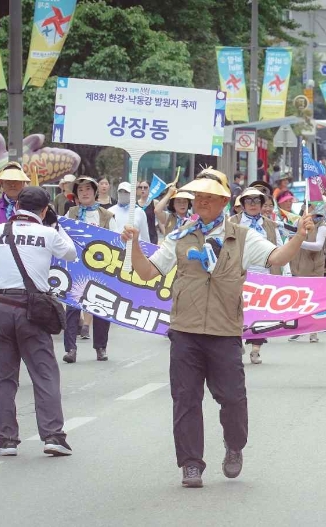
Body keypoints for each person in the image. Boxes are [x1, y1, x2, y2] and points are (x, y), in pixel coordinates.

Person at [122, 177, 314, 488]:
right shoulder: (179, 236)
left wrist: (299, 238)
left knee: (233, 398)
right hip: (185, 329)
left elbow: (276, 257)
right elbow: (146, 272)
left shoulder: (242, 237)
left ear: (225, 203)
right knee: (185, 398)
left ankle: (234, 445)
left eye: (209, 198)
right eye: (197, 196)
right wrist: (132, 245)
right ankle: (190, 464)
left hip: (225, 331)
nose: (201, 202)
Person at [0, 185, 77, 457]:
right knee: (44, 372)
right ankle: (53, 436)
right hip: (31, 308)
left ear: (16, 207)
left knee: (3, 378)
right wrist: (55, 225)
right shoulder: (49, 233)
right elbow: (71, 253)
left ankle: (6, 440)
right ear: (45, 210)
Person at [63, 176, 117, 363]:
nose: (84, 193)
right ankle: (70, 348)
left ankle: (101, 347)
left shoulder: (107, 215)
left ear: (95, 192)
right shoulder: (71, 213)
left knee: (101, 308)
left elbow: (116, 241)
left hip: (100, 269)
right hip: (76, 267)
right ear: (76, 195)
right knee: (72, 308)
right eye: (80, 190)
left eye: (88, 189)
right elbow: (62, 238)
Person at [230, 187, 286, 363]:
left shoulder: (270, 225)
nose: (253, 204)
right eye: (249, 201)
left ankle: (256, 349)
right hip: (240, 273)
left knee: (260, 314)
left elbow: (279, 248)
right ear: (243, 204)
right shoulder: (232, 222)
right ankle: (237, 341)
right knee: (238, 310)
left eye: (256, 201)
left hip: (264, 274)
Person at [288, 200, 326, 343]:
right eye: (306, 205)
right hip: (298, 264)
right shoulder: (299, 221)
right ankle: (299, 328)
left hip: (313, 267)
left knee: (313, 300)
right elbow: (290, 235)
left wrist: (299, 242)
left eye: (309, 205)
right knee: (299, 299)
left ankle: (314, 331)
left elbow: (318, 246)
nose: (306, 208)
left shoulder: (322, 224)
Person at [136, 180, 159, 244]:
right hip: (138, 237)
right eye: (141, 187)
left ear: (150, 189)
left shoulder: (155, 203)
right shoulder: (135, 205)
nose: (143, 189)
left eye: (145, 187)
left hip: (152, 237)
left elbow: (160, 222)